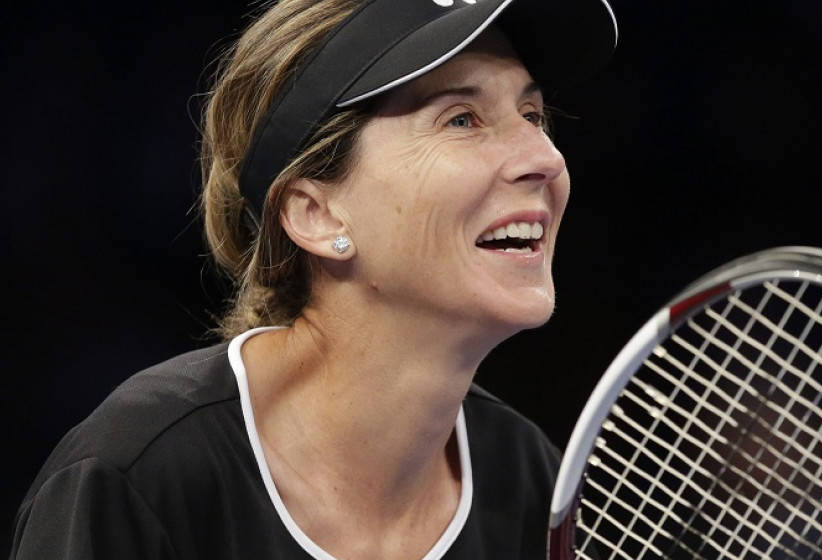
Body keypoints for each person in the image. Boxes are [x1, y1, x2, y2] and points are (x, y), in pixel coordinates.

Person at [9, 0, 617, 558]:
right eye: (461, 119)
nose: (545, 158)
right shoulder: (139, 479)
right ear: (316, 214)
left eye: (532, 114)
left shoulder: (529, 479)